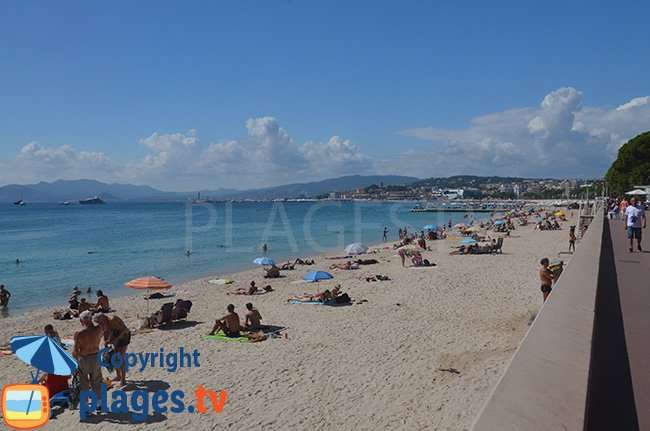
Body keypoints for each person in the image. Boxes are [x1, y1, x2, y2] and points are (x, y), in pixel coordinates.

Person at [73, 311, 104, 407]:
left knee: (84, 383)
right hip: (95, 356)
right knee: (97, 381)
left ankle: (86, 406)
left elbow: (75, 351)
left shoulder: (79, 334)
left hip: (84, 358)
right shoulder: (99, 329)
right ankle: (99, 403)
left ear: (81, 320)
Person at [94, 313, 130, 387]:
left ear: (104, 318)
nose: (99, 325)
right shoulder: (103, 324)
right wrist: (105, 345)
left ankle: (123, 380)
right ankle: (118, 376)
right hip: (114, 336)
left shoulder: (113, 319)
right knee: (114, 357)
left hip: (124, 336)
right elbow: (105, 333)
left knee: (120, 357)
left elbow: (125, 330)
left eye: (100, 323)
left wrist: (115, 340)